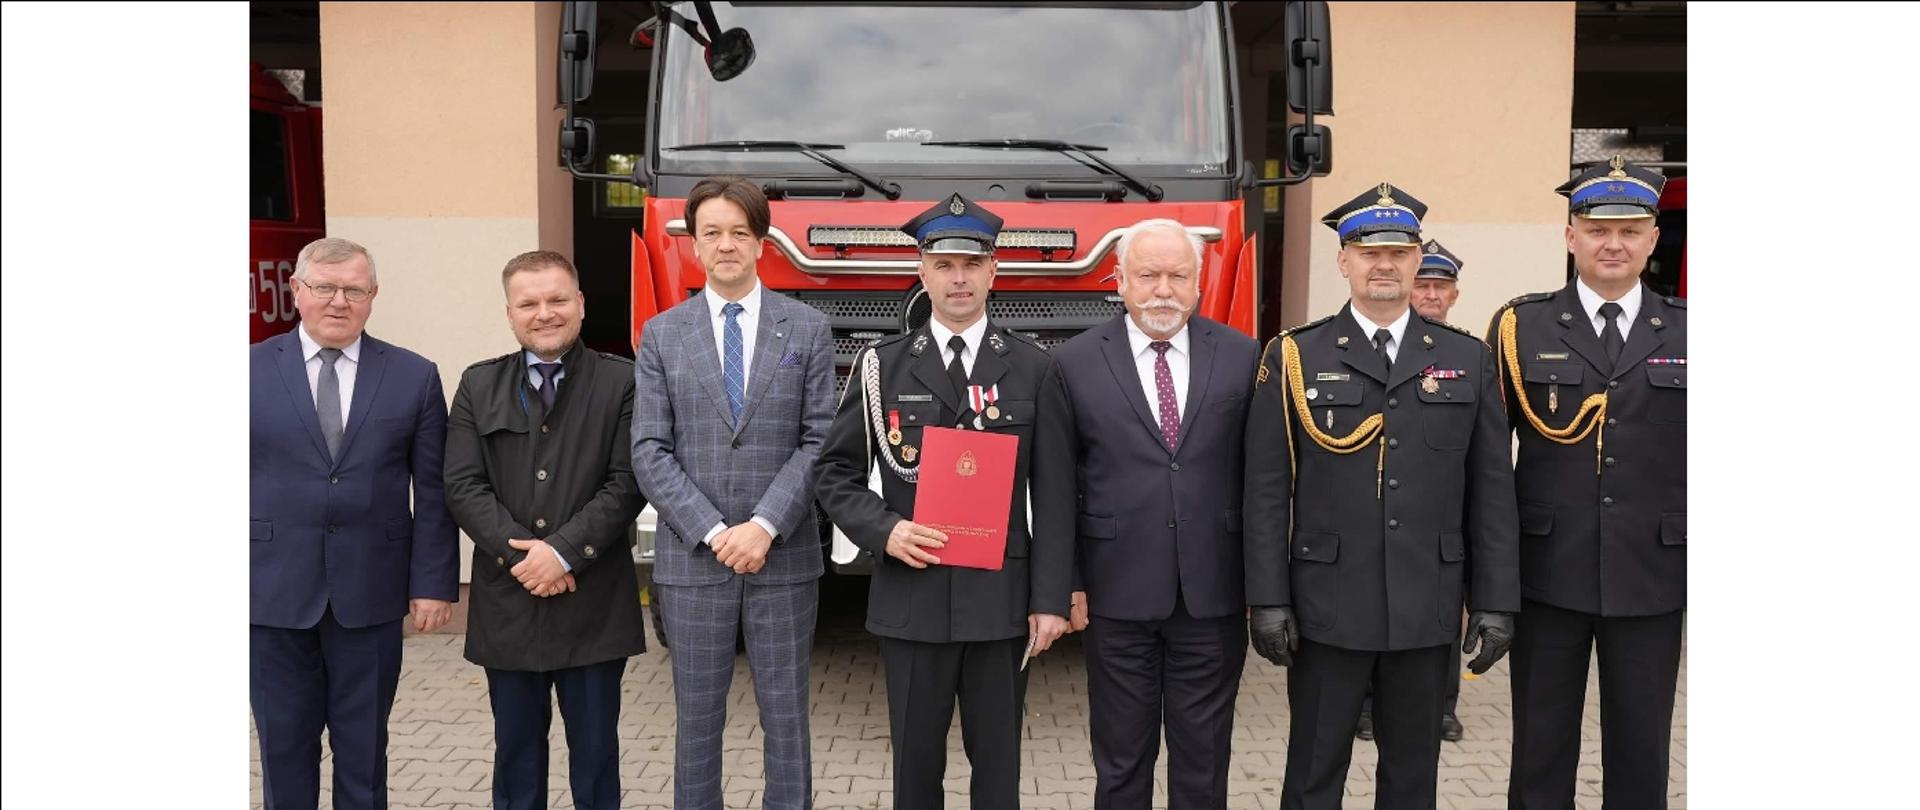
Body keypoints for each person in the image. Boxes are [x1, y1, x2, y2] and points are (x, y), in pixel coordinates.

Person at [1242, 184, 1520, 810]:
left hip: (1428, 606)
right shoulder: (1293, 355)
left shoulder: (1467, 360)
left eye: (1399, 250)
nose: (1385, 264)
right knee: (1313, 773)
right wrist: (1266, 598)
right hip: (1325, 607)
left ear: (1419, 258)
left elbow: (1492, 495)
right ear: (1343, 260)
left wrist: (1497, 601)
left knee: (1413, 775)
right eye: (1369, 252)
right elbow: (1264, 490)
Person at [813, 193, 1071, 810]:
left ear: (992, 272)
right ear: (923, 272)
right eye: (944, 265)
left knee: (999, 772)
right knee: (915, 771)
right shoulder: (882, 366)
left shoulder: (1035, 367)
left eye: (972, 265)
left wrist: (1051, 600)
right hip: (913, 597)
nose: (959, 279)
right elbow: (833, 473)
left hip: (1001, 604)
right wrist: (886, 530)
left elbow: (1058, 494)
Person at [1030, 218, 1258, 810]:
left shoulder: (1242, 356)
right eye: (1148, 275)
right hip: (1115, 594)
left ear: (1198, 283)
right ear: (1121, 282)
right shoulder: (1074, 362)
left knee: (1204, 761)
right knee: (1122, 760)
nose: (1163, 289)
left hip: (1214, 594)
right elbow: (1055, 486)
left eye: (1178, 276)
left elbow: (1264, 481)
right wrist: (1063, 586)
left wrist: (1266, 584)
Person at [630, 176, 835, 810]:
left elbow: (819, 439)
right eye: (712, 233)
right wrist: (718, 532)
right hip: (695, 562)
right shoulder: (664, 335)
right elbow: (649, 450)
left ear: (761, 241)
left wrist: (765, 525)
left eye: (739, 233)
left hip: (784, 556)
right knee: (696, 723)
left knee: (787, 719)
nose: (726, 245)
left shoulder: (807, 328)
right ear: (693, 244)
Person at [1490, 156, 1686, 810]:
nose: (1614, 243)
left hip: (1652, 574)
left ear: (1653, 239)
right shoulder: (1523, 328)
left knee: (1642, 752)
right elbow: (1489, 464)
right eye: (1598, 229)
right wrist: (1489, 580)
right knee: (1540, 751)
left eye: (1631, 230)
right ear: (1570, 234)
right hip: (1548, 573)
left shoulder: (1693, 329)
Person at [249, 237, 459, 810]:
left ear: (373, 296)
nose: (339, 301)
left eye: (354, 290)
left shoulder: (413, 376)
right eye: (325, 288)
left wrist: (433, 584)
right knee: (284, 751)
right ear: (297, 291)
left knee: (364, 752)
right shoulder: (246, 370)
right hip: (269, 594)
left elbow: (434, 490)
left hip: (371, 593)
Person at [443, 250, 648, 810]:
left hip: (593, 605)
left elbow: (629, 482)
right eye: (528, 303)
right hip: (508, 604)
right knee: (515, 755)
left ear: (580, 304)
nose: (544, 313)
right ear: (509, 312)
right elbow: (462, 485)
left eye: (557, 299)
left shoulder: (623, 382)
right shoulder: (477, 385)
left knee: (597, 759)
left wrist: (560, 554)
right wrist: (524, 560)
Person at [1358, 236, 1470, 744]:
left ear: (1453, 294)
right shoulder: (1311, 351)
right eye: (1422, 285)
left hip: (1441, 527)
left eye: (1437, 286)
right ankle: (1365, 703)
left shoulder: (1470, 356)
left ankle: (1443, 705)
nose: (1428, 295)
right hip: (1361, 538)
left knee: (1440, 618)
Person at [1410, 239, 1464, 322]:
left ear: (1454, 296)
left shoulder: (1460, 335)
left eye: (1440, 287)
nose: (1432, 296)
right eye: (1422, 286)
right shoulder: (1388, 334)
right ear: (1405, 293)